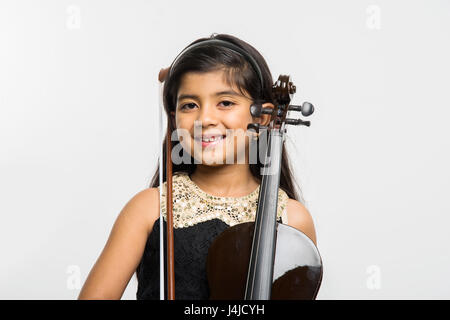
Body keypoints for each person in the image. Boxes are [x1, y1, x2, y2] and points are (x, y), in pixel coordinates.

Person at [78, 33, 317, 300]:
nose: (205, 119)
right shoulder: (150, 208)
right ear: (174, 118)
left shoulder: (293, 219)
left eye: (225, 103)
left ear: (262, 118)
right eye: (190, 105)